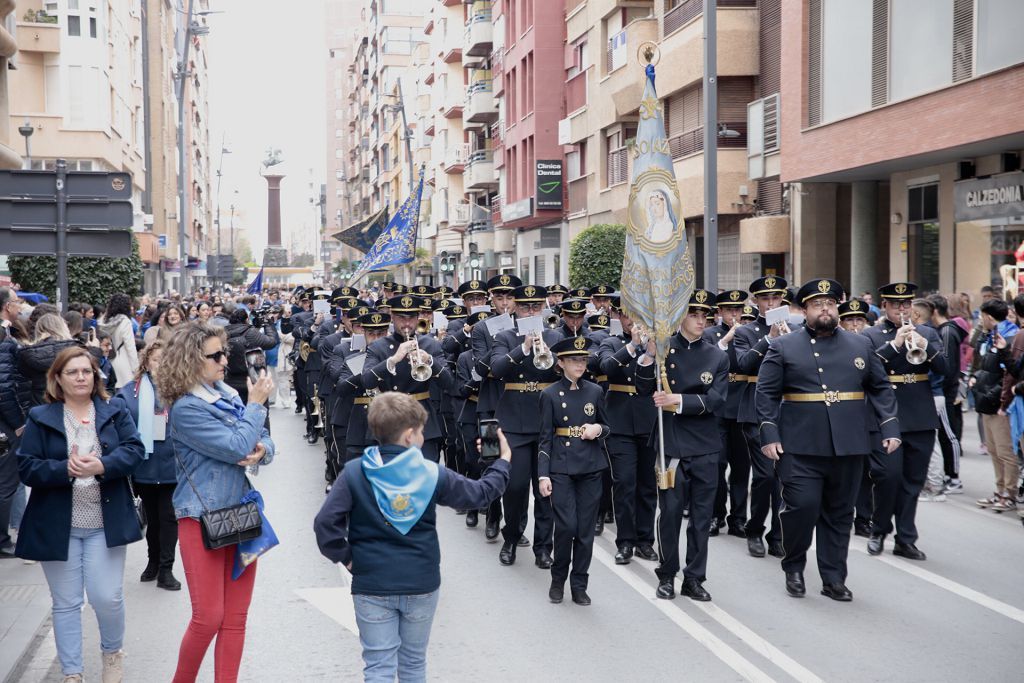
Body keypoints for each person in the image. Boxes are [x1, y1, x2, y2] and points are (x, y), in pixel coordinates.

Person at [313, 392, 511, 682]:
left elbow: (324, 524)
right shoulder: (431, 473)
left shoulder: (355, 472)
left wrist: (348, 559)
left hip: (371, 582)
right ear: (409, 436)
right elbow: (479, 495)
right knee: (413, 665)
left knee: (378, 666)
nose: (422, 437)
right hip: (421, 582)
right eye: (420, 432)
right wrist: (502, 460)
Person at [757, 279, 900, 601]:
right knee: (802, 508)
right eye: (818, 304)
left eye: (831, 304)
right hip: (800, 444)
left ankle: (834, 578)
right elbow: (765, 394)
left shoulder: (859, 345)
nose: (825, 309)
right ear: (804, 309)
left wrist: (890, 427)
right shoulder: (783, 346)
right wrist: (768, 433)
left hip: (849, 443)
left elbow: (880, 387)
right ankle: (793, 565)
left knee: (839, 514)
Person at [16, 346, 145, 682]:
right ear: (57, 378)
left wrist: (103, 464)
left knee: (107, 597)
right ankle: (72, 673)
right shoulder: (40, 417)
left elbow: (135, 450)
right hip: (58, 525)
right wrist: (64, 470)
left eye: (86, 371)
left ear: (95, 375)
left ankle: (112, 652)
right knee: (66, 602)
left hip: (105, 522)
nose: (81, 377)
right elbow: (27, 467)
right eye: (72, 372)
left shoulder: (113, 410)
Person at [158, 323, 276, 683]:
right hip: (201, 518)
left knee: (235, 619)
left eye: (224, 352)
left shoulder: (227, 393)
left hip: (241, 514)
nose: (226, 360)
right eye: (217, 355)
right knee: (208, 617)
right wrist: (255, 409)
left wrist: (261, 450)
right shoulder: (186, 409)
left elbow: (263, 440)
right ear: (192, 361)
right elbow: (235, 445)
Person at [638, 290, 729, 602]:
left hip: (704, 444)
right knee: (671, 513)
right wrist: (649, 355)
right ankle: (667, 574)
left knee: (702, 517)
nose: (702, 320)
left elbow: (717, 400)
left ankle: (694, 577)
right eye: (694, 314)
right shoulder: (665, 350)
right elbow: (641, 387)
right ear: (680, 317)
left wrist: (677, 400)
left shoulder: (717, 355)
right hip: (671, 442)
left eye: (705, 315)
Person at [863, 282, 948, 561]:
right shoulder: (871, 336)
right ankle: (878, 530)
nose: (902, 309)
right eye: (896, 304)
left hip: (919, 412)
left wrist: (927, 348)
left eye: (906, 304)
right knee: (887, 477)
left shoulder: (926, 332)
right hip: (886, 414)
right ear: (884, 306)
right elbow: (865, 371)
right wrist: (895, 345)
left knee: (913, 481)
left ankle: (906, 538)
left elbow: (945, 370)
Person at [489, 285, 561, 568]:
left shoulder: (555, 336)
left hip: (546, 419)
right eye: (525, 307)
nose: (531, 312)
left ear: (542, 308)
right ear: (515, 308)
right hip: (515, 421)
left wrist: (548, 351)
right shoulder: (505, 337)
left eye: (536, 307)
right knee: (515, 487)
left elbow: (567, 371)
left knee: (545, 490)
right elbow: (496, 369)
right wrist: (524, 348)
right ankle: (511, 537)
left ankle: (544, 548)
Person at [535, 335, 609, 605]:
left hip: (590, 465)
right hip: (562, 467)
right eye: (574, 360)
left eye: (583, 359)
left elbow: (607, 425)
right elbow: (544, 438)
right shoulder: (550, 394)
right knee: (566, 527)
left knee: (586, 531)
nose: (580, 364)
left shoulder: (595, 391)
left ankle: (579, 583)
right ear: (561, 362)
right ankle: (558, 579)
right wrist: (543, 474)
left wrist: (598, 429)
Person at [734, 275, 792, 559]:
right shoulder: (747, 332)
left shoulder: (796, 330)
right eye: (765, 299)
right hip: (756, 408)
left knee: (784, 477)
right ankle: (755, 528)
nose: (771, 303)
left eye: (775, 298)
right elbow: (743, 363)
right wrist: (770, 338)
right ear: (755, 302)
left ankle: (778, 533)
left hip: (787, 409)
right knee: (765, 476)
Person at [116, 341, 181, 590]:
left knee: (169, 517)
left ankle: (166, 568)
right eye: (156, 359)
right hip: (142, 466)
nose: (160, 364)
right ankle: (152, 561)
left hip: (172, 465)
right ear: (146, 362)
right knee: (151, 519)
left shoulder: (181, 390)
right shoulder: (129, 392)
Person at [597, 309, 659, 564]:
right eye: (626, 316)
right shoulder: (610, 342)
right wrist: (634, 345)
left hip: (648, 420)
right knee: (624, 484)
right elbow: (606, 366)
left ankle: (645, 540)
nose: (632, 321)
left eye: (638, 316)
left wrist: (654, 349)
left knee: (647, 485)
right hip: (620, 422)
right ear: (618, 318)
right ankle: (625, 542)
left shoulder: (657, 341)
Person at [704, 289, 751, 538]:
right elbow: (706, 367)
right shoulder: (710, 335)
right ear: (719, 312)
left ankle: (739, 518)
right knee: (717, 464)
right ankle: (716, 514)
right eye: (729, 310)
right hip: (719, 407)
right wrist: (724, 343)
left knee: (742, 466)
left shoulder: (749, 333)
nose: (734, 314)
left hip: (742, 404)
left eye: (738, 310)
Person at [972, 299, 1019, 512]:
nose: (981, 320)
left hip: (1000, 404)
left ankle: (1009, 494)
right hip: (988, 402)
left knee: (1005, 451)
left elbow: (1009, 375)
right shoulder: (990, 337)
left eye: (983, 316)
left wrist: (996, 397)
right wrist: (976, 378)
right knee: (993, 450)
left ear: (989, 317)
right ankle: (999, 490)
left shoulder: (1009, 337)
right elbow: (984, 365)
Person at [19, 314, 81, 406]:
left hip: (39, 406)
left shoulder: (29, 354)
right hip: (71, 405)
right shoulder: (75, 349)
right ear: (62, 327)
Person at [224, 307, 280, 403]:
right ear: (246, 319)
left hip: (229, 380)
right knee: (257, 409)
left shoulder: (222, 333)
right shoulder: (250, 332)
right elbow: (271, 342)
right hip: (252, 379)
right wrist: (268, 324)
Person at [99, 293, 139, 389]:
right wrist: (136, 369)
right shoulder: (125, 322)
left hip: (106, 361)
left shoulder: (102, 322)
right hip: (123, 364)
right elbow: (130, 347)